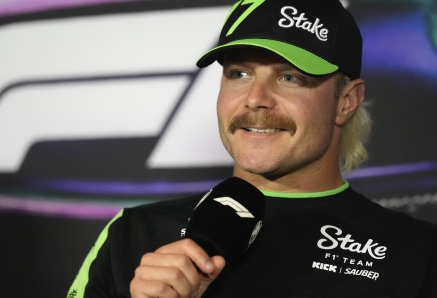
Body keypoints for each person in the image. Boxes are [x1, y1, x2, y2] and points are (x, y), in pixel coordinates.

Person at [68, 0, 437, 297]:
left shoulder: (416, 254)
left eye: (290, 77)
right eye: (238, 74)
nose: (255, 99)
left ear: (346, 101)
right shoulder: (134, 233)